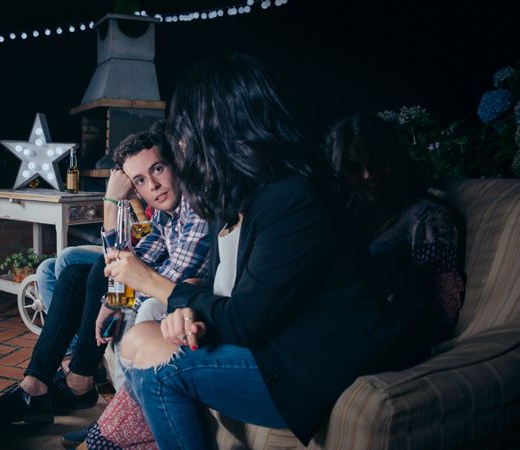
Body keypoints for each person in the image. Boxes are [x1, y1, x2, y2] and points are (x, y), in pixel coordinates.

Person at [103, 51, 429, 448]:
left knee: (158, 372)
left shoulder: (293, 198)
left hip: (314, 361)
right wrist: (189, 312)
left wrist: (155, 284)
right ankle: (120, 435)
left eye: (187, 128)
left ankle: (116, 437)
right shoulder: (235, 199)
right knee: (141, 344)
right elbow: (223, 290)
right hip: (273, 340)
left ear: (220, 128)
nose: (180, 142)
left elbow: (245, 320)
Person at [0, 122, 210, 425]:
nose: (153, 186)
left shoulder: (196, 208)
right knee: (72, 274)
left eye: (158, 169)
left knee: (90, 272)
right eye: (141, 180)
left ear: (175, 164)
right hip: (151, 282)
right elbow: (127, 261)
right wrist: (116, 294)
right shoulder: (163, 214)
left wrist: (116, 298)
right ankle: (40, 382)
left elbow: (163, 284)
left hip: (181, 298)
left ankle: (71, 381)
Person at [328, 113, 465, 344]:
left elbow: (444, 310)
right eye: (353, 167)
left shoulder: (425, 218)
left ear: (392, 159)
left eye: (375, 162)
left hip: (386, 340)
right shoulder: (348, 218)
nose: (368, 175)